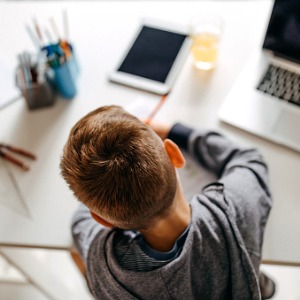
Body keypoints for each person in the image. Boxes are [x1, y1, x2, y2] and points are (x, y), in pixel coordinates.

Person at [60, 105, 275, 299]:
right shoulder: (234, 210)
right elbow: (248, 159)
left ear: (102, 220)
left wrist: (99, 189)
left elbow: (80, 223)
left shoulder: (103, 264)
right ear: (174, 154)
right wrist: (176, 131)